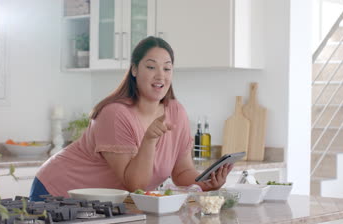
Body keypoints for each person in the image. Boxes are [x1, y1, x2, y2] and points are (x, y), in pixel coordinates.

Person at [30, 36, 233, 201]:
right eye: (151, 67)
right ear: (134, 70)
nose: (160, 76)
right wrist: (149, 140)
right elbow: (135, 185)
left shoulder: (176, 112)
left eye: (167, 68)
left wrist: (205, 182)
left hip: (100, 203)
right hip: (57, 191)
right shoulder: (115, 114)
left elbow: (182, 173)